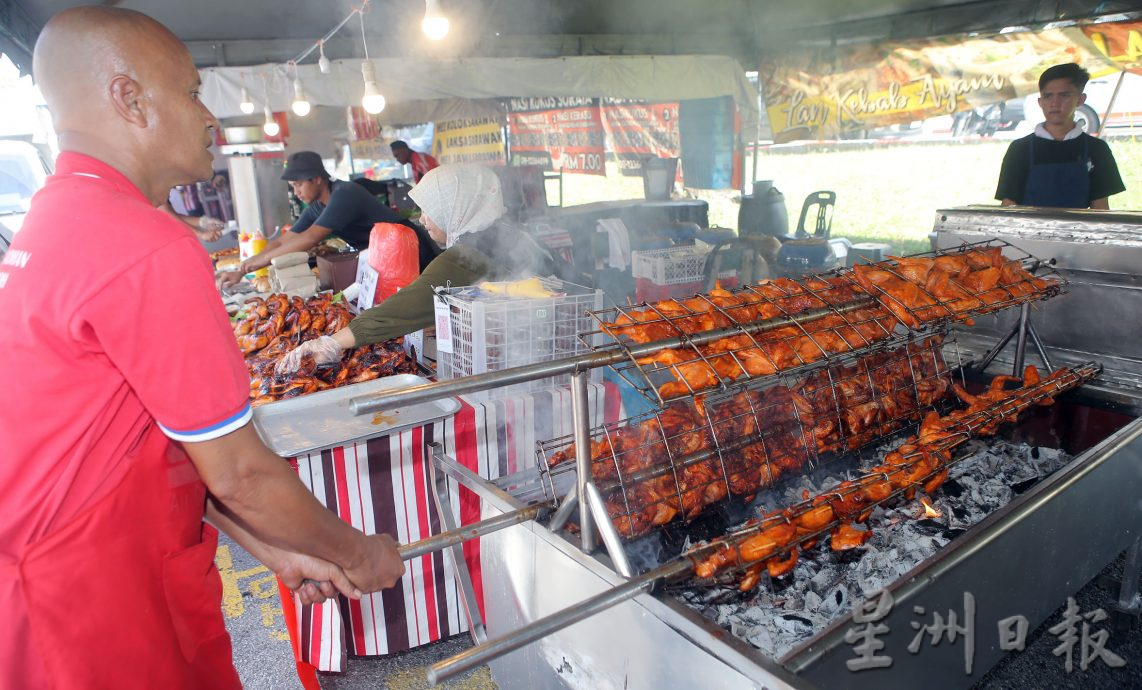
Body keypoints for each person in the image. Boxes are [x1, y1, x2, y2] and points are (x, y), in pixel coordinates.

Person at [0, 8, 404, 689]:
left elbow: (141, 440)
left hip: (56, 577)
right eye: (190, 93)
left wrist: (275, 551)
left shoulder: (57, 215)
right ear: (129, 98)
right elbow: (238, 472)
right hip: (101, 602)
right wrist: (358, 553)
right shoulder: (144, 245)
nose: (208, 118)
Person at [277, 164, 563, 371]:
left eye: (431, 210)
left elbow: (404, 308)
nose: (423, 220)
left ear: (456, 209)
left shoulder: (469, 254)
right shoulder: (503, 231)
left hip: (546, 352)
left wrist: (330, 343)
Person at [219, 150, 440, 286]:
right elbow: (283, 240)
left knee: (423, 304)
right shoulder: (317, 206)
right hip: (383, 256)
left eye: (298, 185)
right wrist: (245, 266)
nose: (296, 192)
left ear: (317, 179)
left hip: (409, 248)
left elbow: (309, 239)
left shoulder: (345, 193)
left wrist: (250, 267)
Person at [995, 63, 1125, 209]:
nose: (1055, 103)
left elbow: (1100, 208)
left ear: (1081, 100)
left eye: (1064, 95)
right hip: (1029, 231)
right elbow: (1008, 205)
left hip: (1079, 231)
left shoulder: (1097, 149)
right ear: (1040, 102)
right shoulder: (1019, 149)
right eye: (1048, 96)